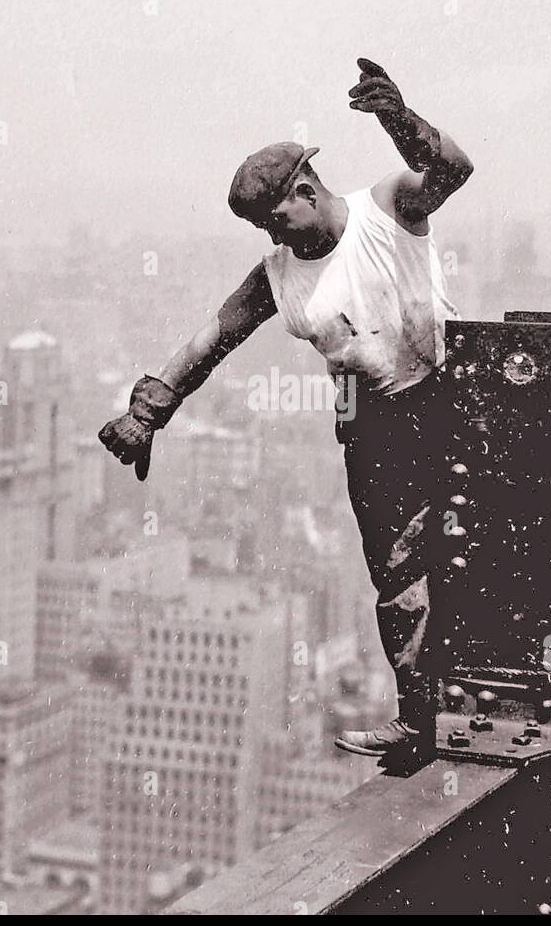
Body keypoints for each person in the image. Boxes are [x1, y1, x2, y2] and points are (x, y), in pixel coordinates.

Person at [99, 58, 474, 760]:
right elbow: (214, 336)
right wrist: (149, 409)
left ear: (306, 188)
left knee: (473, 556)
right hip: (374, 421)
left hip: (451, 399)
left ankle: (477, 705)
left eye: (278, 219)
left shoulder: (385, 209)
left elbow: (453, 171)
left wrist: (399, 118)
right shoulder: (279, 274)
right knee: (397, 576)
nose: (276, 238)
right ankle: (424, 722)